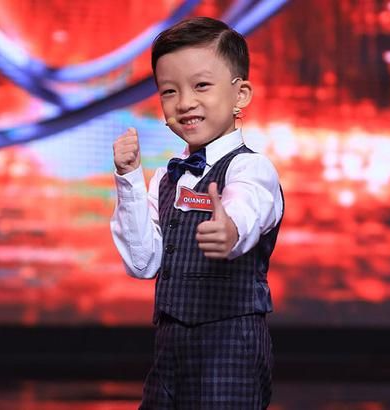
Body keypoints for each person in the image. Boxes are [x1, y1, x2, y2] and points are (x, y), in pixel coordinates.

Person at [110, 16, 284, 409]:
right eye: (169, 91)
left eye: (201, 85)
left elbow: (247, 204)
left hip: (229, 351)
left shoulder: (250, 168)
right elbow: (142, 263)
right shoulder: (167, 178)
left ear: (241, 94)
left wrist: (231, 230)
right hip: (169, 351)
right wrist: (129, 177)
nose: (185, 102)